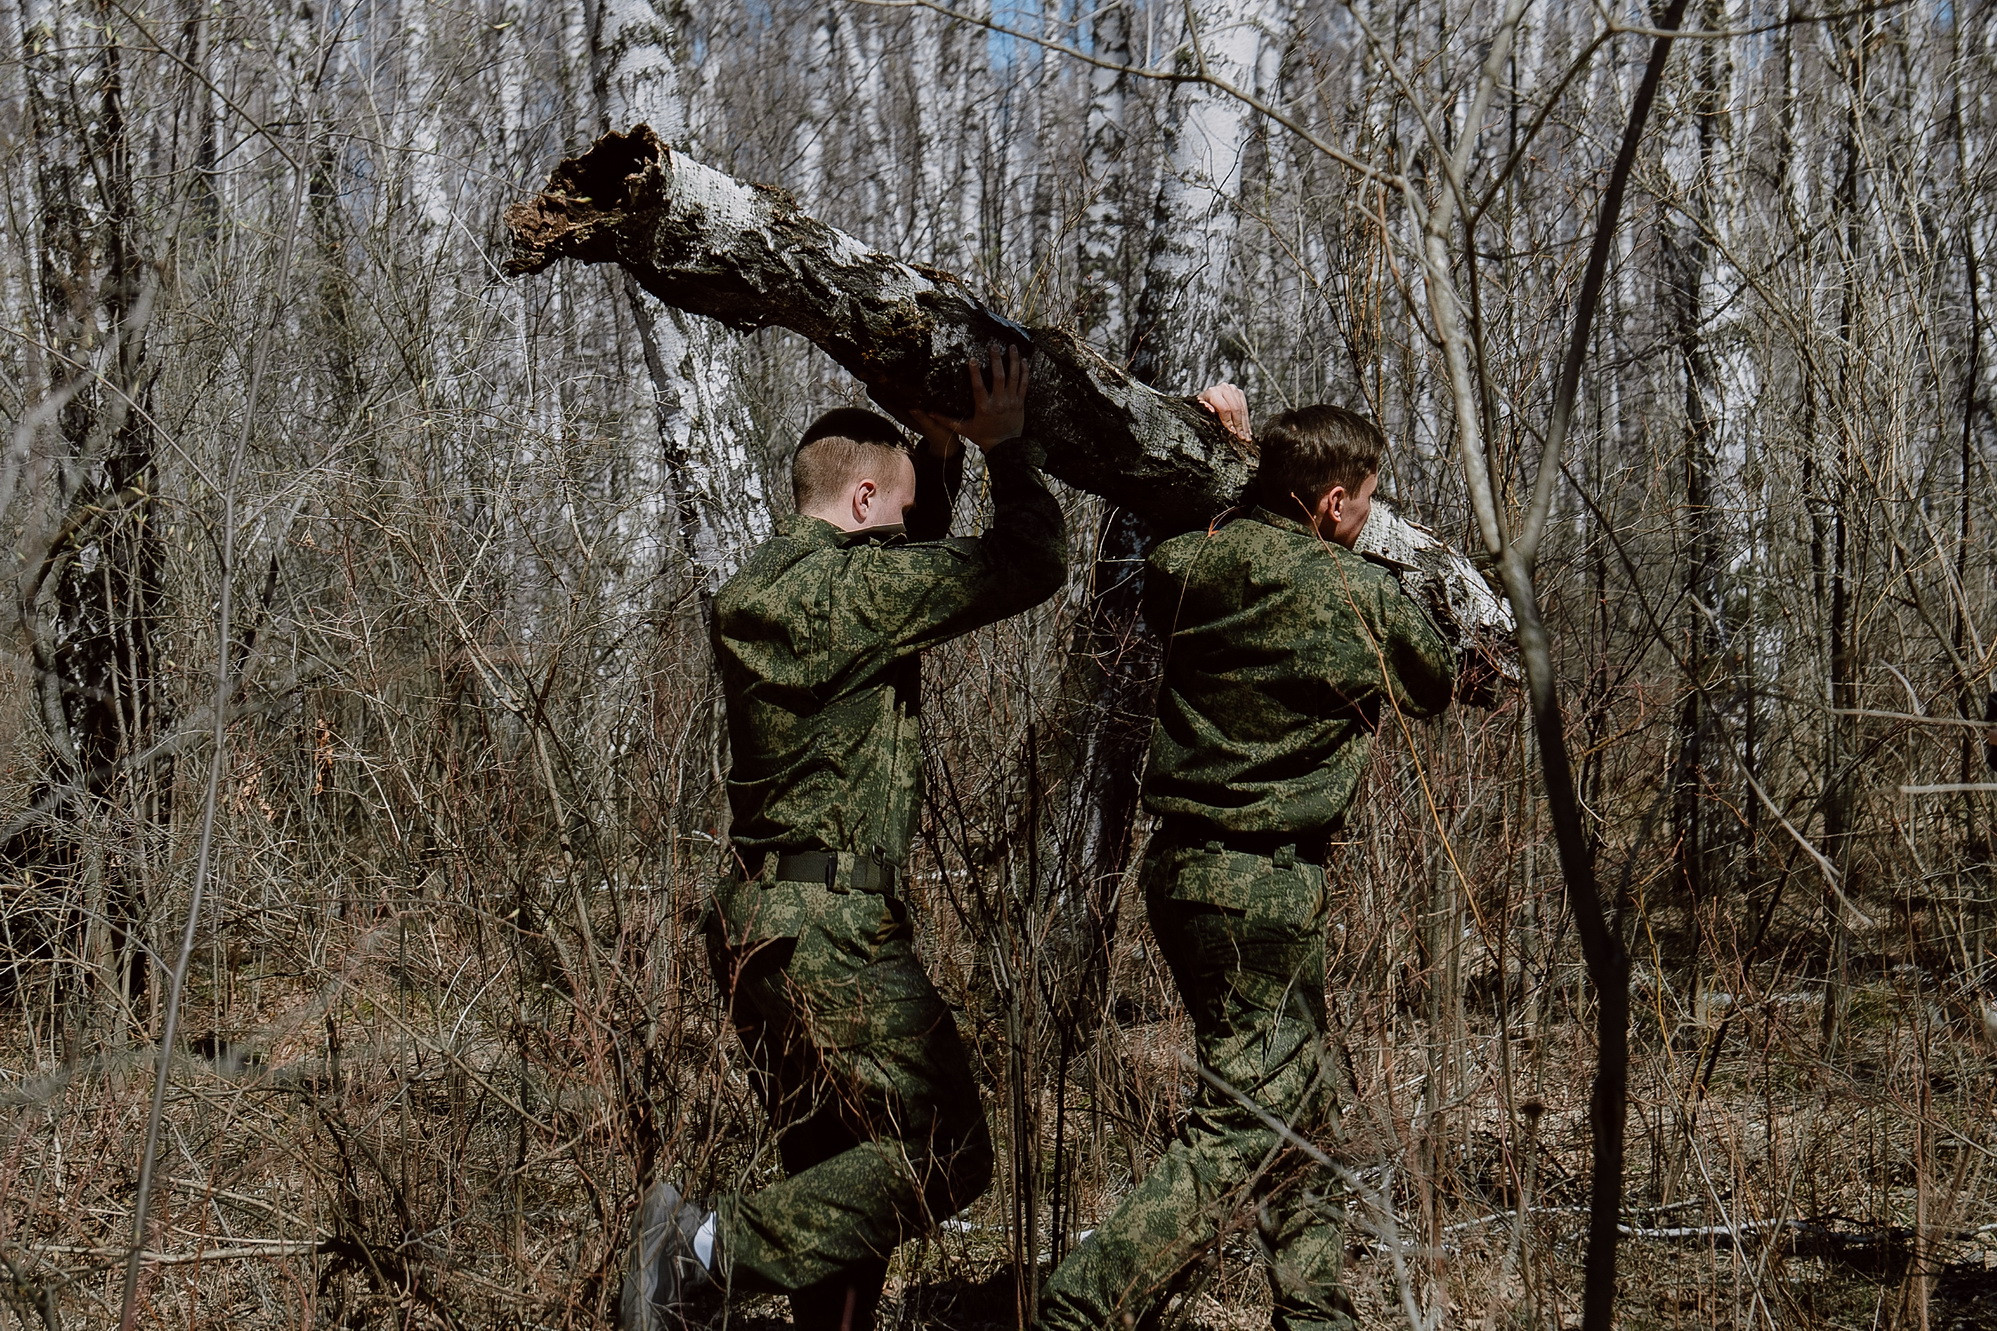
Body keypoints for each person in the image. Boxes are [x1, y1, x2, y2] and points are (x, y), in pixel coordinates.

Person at [621, 346, 1066, 1331]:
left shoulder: (778, 588)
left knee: (835, 1187)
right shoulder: (856, 598)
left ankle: (730, 1271)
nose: (910, 532)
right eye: (902, 510)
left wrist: (938, 457)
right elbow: (1032, 561)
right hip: (830, 927)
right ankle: (698, 1255)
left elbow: (903, 570)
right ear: (863, 501)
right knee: (948, 1148)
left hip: (764, 921)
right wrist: (1008, 450)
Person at [1036, 386, 1457, 1331]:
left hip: (1187, 876)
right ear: (1330, 504)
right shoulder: (1359, 596)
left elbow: (1191, 537)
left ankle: (1314, 1316)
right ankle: (1076, 1306)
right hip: (1261, 888)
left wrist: (1230, 464)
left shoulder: (1190, 564)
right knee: (1247, 1118)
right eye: (1365, 499)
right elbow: (1442, 679)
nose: (1370, 516)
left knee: (1304, 1099)